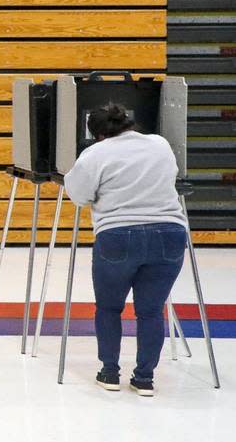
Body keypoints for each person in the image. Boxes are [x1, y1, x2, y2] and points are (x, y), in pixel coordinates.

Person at [63, 103, 189, 397]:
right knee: (151, 311)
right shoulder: (160, 144)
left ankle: (109, 372)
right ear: (130, 123)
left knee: (109, 308)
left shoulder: (95, 154)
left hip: (118, 235)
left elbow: (80, 197)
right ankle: (144, 378)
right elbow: (171, 175)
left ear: (97, 134)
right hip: (169, 233)